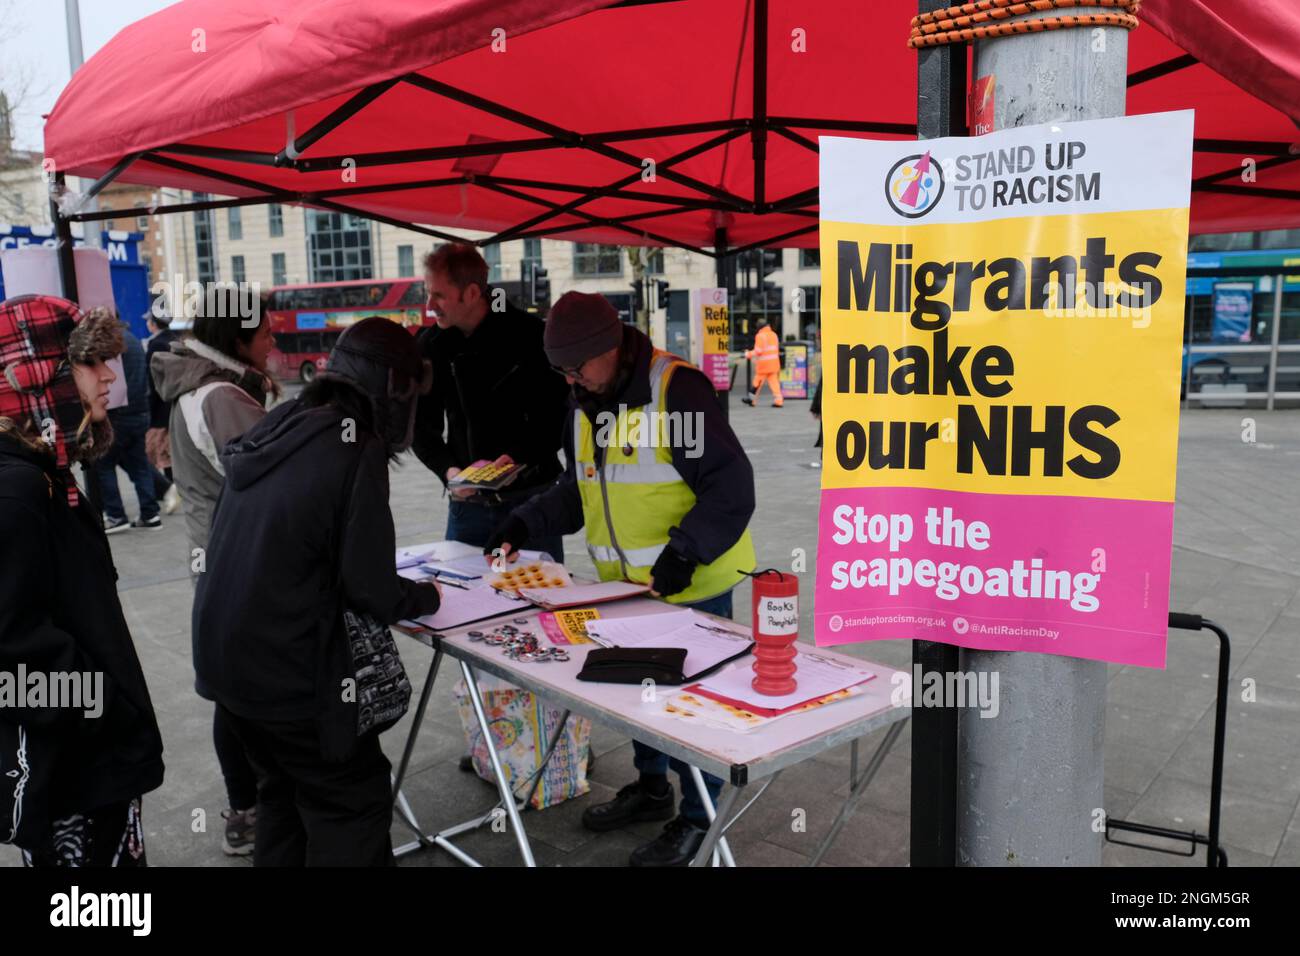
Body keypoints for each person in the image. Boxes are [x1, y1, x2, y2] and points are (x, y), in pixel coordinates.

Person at [485, 291, 757, 867]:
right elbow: (578, 490)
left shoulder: (675, 391)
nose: (570, 379)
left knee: (690, 714)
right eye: (560, 369)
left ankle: (699, 820)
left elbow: (731, 487)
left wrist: (684, 552)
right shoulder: (585, 400)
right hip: (624, 587)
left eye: (577, 366)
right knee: (636, 696)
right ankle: (653, 789)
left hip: (694, 585)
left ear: (610, 347)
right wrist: (521, 522)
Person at [192, 318, 442, 866]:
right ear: (394, 386)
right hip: (289, 675)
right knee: (349, 802)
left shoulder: (288, 419)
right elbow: (370, 585)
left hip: (230, 664)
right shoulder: (355, 444)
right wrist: (426, 597)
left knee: (281, 796)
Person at [0, 295, 164, 866]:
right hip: (76, 773)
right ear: (44, 378)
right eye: (92, 363)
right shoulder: (19, 490)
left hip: (90, 766)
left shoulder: (47, 475)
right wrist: (107, 711)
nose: (110, 375)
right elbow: (13, 652)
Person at [151, 305, 277, 856]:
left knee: (233, 691)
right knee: (243, 695)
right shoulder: (222, 396)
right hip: (239, 564)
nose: (274, 339)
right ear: (239, 337)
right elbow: (275, 475)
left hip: (213, 558)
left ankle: (246, 808)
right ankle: (251, 809)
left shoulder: (195, 386)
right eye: (267, 331)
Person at [412, 242, 570, 559]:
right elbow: (419, 426)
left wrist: (516, 457)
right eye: (428, 293)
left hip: (532, 500)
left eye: (439, 295)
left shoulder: (531, 336)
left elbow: (558, 418)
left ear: (471, 293)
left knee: (541, 595)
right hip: (467, 508)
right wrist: (449, 471)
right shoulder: (431, 345)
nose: (430, 305)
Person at [97, 318, 164, 532]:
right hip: (140, 411)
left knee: (104, 466)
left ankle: (116, 516)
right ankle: (150, 514)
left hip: (118, 414)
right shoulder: (132, 340)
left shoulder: (111, 343)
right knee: (140, 465)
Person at [144, 312, 182, 515]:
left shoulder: (155, 346)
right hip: (174, 403)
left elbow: (152, 382)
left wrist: (149, 410)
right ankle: (173, 487)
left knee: (153, 451)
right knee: (168, 450)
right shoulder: (176, 341)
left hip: (159, 408)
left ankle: (168, 489)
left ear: (153, 324)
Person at [742, 319, 784, 408]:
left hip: (764, 365)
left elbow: (758, 351)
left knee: (757, 383)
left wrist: (747, 354)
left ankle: (752, 400)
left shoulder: (760, 336)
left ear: (759, 327)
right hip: (774, 364)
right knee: (774, 383)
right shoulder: (774, 335)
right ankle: (779, 401)